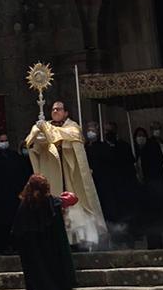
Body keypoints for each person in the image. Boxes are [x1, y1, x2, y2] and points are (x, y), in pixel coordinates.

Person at [25, 100, 106, 249]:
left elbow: (72, 136)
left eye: (59, 109)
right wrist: (38, 133)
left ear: (66, 112)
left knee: (74, 208)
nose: (55, 111)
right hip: (52, 172)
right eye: (53, 109)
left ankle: (78, 241)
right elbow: (31, 144)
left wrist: (48, 131)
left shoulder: (72, 126)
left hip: (70, 174)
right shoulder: (44, 126)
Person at [11, 174, 76, 290]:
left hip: (34, 251)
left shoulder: (25, 206)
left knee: (40, 275)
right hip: (50, 249)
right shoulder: (51, 203)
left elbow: (18, 232)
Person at [0, 130, 31, 253]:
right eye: (2, 141)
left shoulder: (14, 156)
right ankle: (3, 245)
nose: (4, 143)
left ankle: (16, 244)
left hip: (13, 194)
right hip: (1, 195)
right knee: (2, 222)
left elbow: (20, 174)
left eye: (6, 140)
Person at [133, 125, 163, 249]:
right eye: (138, 136)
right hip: (147, 189)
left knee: (155, 218)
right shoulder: (139, 151)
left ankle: (156, 242)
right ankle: (153, 242)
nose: (140, 138)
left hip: (155, 187)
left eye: (142, 135)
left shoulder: (151, 148)